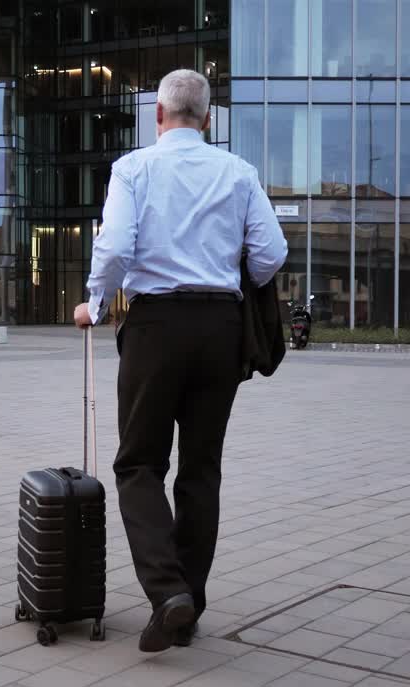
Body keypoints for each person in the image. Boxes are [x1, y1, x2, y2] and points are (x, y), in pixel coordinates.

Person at [73, 69, 287, 653]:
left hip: (155, 328)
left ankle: (167, 592)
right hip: (220, 329)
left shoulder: (134, 169)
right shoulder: (238, 172)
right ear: (208, 120)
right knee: (200, 469)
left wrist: (94, 304)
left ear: (159, 116)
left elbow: (115, 246)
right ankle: (186, 605)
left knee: (138, 464)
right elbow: (271, 254)